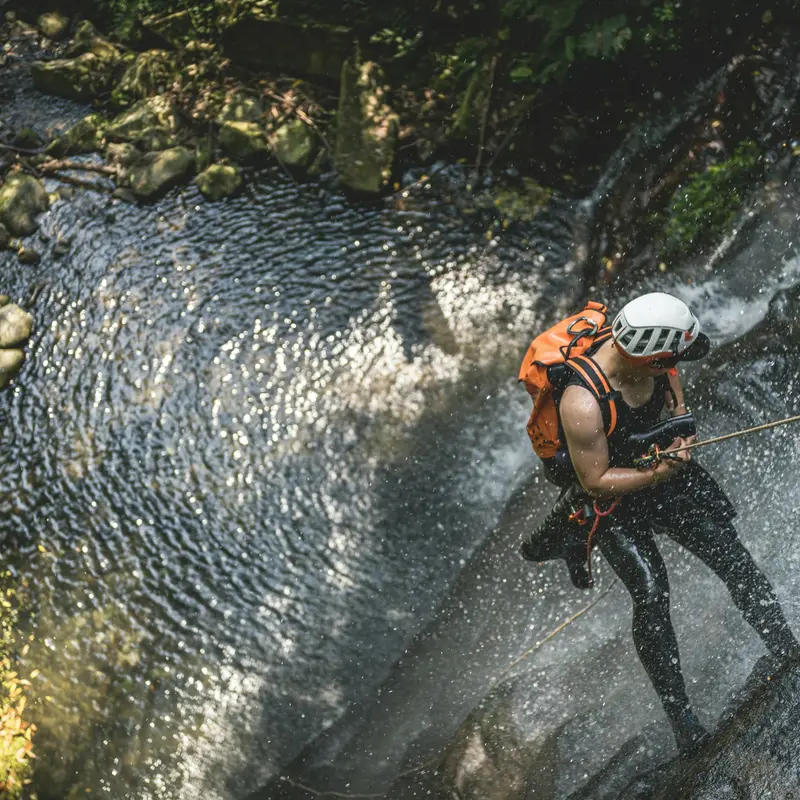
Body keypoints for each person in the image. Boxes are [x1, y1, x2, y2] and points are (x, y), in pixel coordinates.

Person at [521, 292, 799, 755]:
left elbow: (674, 395)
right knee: (651, 593)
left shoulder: (658, 362)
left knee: (731, 554)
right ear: (646, 356)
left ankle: (785, 647)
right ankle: (682, 720)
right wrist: (660, 472)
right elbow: (595, 481)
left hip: (657, 470)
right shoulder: (581, 401)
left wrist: (681, 432)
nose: (675, 366)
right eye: (670, 359)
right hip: (612, 498)